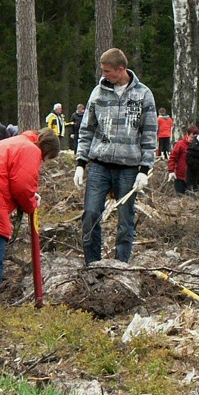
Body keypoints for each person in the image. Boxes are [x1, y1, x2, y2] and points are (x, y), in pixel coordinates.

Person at [0, 128, 60, 311]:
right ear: (47, 151)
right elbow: (22, 186)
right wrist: (31, 204)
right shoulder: (31, 150)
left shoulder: (11, 142)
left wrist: (29, 197)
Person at [74, 48, 157, 264]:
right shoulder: (98, 93)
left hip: (129, 168)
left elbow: (149, 133)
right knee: (91, 214)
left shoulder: (143, 95)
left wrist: (145, 169)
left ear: (121, 69)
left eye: (107, 71)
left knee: (125, 220)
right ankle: (93, 264)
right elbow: (87, 129)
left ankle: (121, 265)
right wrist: (81, 163)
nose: (104, 75)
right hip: (99, 165)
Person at [168, 125, 198, 194]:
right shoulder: (180, 144)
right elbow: (173, 158)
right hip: (180, 177)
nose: (192, 140)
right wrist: (171, 170)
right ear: (187, 134)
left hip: (192, 178)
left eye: (194, 138)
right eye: (191, 137)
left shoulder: (196, 146)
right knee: (179, 196)